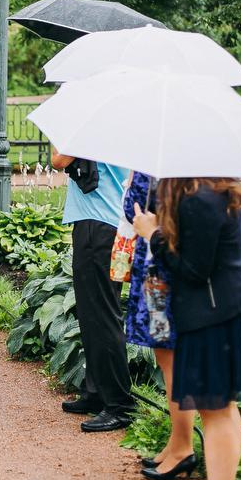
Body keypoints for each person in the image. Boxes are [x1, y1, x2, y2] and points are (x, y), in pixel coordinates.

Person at [134, 178, 241, 480]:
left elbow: (193, 270)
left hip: (214, 317)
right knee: (224, 409)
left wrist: (154, 235)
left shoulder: (200, 201)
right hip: (230, 310)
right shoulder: (219, 190)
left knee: (216, 411)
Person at [122, 172, 198, 480]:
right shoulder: (187, 167)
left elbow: (133, 209)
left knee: (171, 360)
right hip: (162, 265)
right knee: (167, 358)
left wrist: (130, 184)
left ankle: (183, 446)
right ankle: (177, 441)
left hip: (161, 272)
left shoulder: (155, 167)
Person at [51, 151, 134, 432]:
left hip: (100, 226)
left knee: (103, 315)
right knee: (91, 314)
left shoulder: (93, 130)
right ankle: (97, 391)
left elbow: (58, 159)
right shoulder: (108, 127)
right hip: (107, 224)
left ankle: (119, 405)